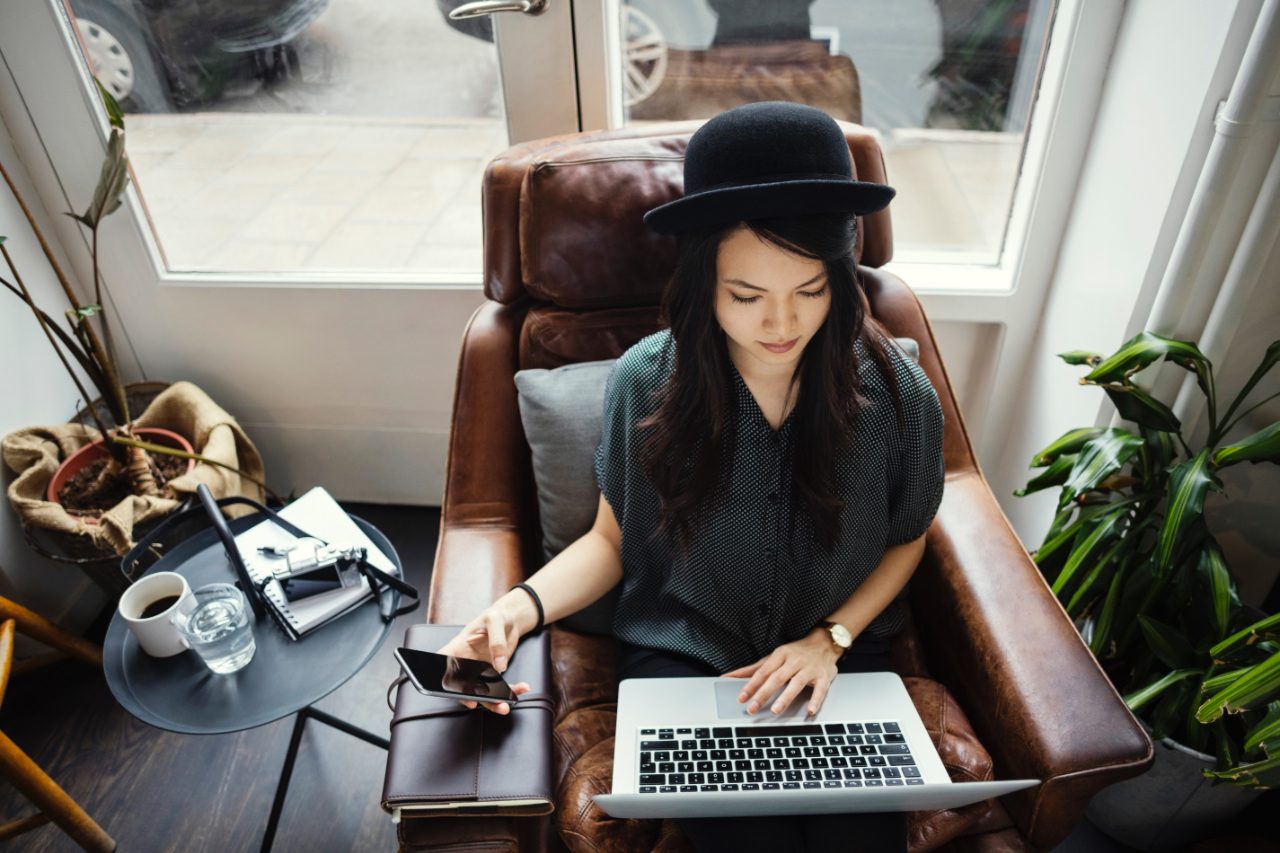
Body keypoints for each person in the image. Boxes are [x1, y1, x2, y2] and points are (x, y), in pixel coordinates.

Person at [439, 100, 946, 853]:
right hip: (686, 644)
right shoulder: (646, 380)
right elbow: (612, 541)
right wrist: (516, 609)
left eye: (810, 291)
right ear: (704, 279)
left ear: (841, 276)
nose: (782, 324)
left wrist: (829, 639)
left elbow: (908, 537)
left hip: (834, 655)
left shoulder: (901, 395)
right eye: (747, 296)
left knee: (860, 836)